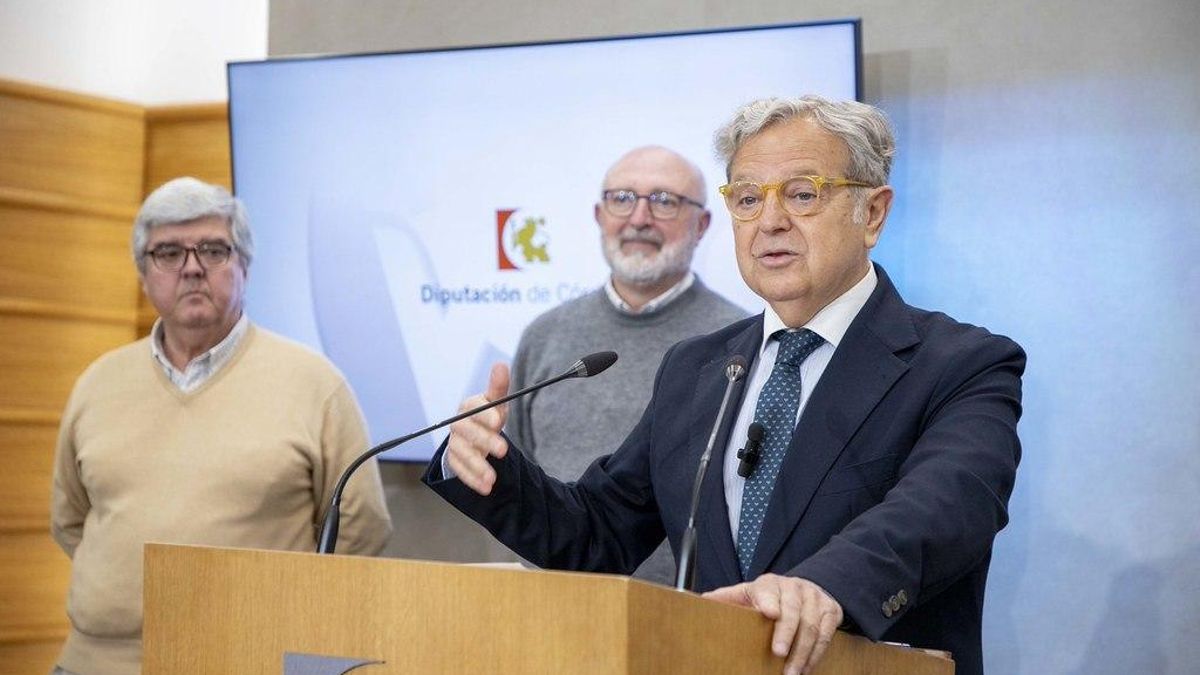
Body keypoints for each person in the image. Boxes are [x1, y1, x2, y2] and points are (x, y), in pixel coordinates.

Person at [424, 96, 1023, 675]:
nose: (770, 222)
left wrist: (823, 587)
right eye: (747, 198)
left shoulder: (962, 364)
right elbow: (598, 532)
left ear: (872, 213)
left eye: (803, 194)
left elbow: (947, 508)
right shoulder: (697, 367)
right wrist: (486, 463)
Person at [50, 177, 393, 675]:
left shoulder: (315, 384)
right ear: (144, 274)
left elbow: (362, 526)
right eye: (167, 253)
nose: (191, 268)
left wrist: (275, 617)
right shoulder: (97, 383)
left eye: (212, 249)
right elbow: (70, 520)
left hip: (247, 659)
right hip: (96, 663)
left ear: (244, 266)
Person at [506, 145, 746, 584]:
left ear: (703, 225)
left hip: (691, 622)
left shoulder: (740, 341)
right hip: (552, 612)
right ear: (599, 216)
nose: (639, 219)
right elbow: (523, 487)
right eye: (622, 198)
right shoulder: (544, 336)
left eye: (664, 201)